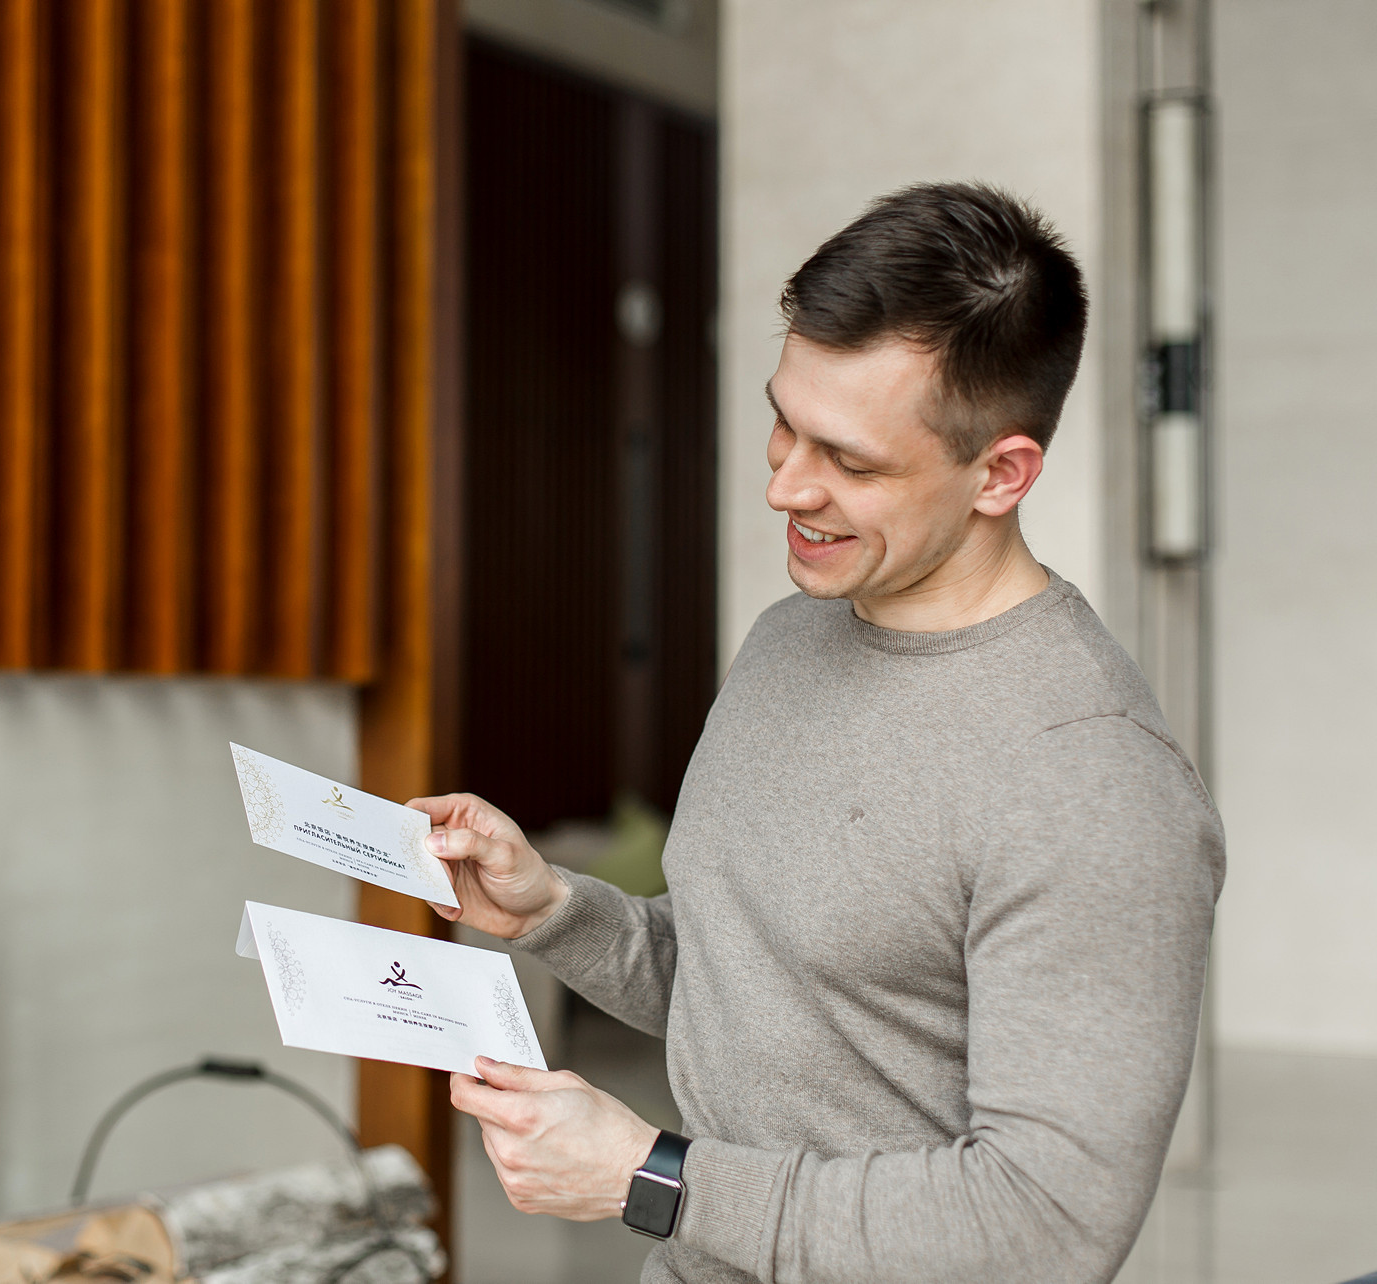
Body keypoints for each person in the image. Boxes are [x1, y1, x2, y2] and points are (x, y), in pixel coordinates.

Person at [412, 182, 1225, 1283]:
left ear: (1002, 473)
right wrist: (556, 910)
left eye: (850, 460)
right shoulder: (790, 639)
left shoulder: (1091, 778)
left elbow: (1046, 1230)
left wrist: (654, 1179)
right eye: (783, 424)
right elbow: (759, 991)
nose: (786, 485)